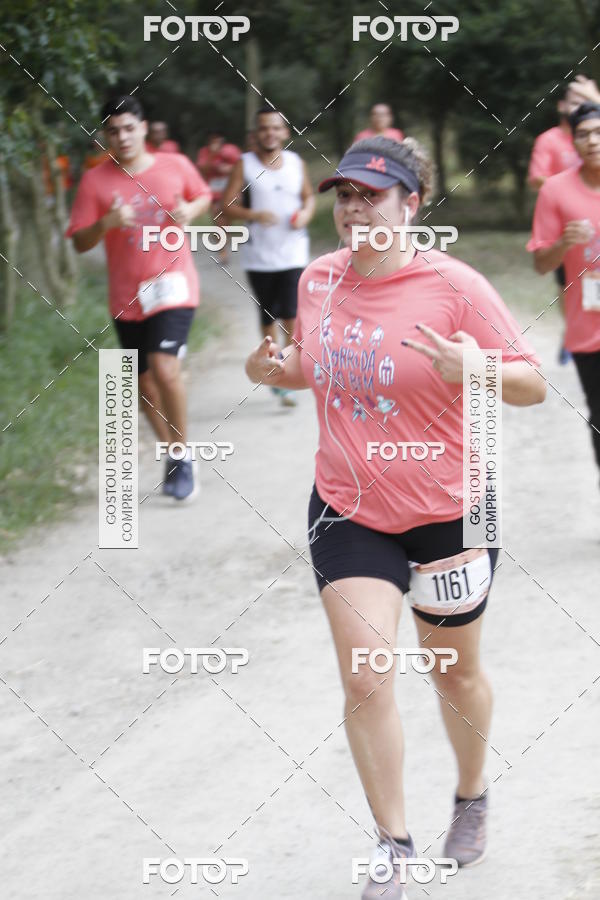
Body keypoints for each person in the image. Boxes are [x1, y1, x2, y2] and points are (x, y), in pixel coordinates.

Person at [246, 136, 546, 898]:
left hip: (453, 509)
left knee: (454, 673)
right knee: (367, 676)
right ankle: (394, 843)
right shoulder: (316, 281)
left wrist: (470, 366)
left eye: (371, 194)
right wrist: (273, 369)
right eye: (344, 195)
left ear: (411, 203)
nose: (353, 208)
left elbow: (532, 385)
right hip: (349, 507)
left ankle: (473, 794)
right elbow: (312, 366)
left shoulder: (457, 287)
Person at [66, 95, 211, 501]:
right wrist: (106, 223)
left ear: (144, 128)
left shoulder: (174, 164)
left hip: (173, 285)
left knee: (165, 370)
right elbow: (79, 241)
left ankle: (183, 456)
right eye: (113, 131)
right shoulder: (96, 181)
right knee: (144, 388)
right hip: (127, 297)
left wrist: (191, 210)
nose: (122, 136)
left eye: (129, 128)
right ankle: (173, 453)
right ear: (105, 136)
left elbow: (201, 195)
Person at [528, 101, 600, 486]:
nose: (592, 141)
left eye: (598, 131)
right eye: (584, 134)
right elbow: (541, 263)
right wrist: (563, 243)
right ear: (574, 142)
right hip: (590, 329)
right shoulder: (556, 190)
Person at [224, 107, 315, 408]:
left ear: (285, 132)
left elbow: (309, 197)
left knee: (292, 313)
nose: (270, 133)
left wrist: (304, 215)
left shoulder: (295, 163)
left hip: (293, 251)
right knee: (268, 315)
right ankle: (272, 365)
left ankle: (288, 372)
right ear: (256, 134)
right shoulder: (245, 165)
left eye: (276, 128)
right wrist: (253, 214)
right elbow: (226, 207)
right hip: (259, 255)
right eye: (264, 128)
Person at [528, 84, 583, 364]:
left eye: (584, 100)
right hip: (562, 226)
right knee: (567, 282)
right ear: (561, 106)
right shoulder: (548, 140)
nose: (578, 106)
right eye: (573, 101)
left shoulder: (592, 136)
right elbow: (537, 177)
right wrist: (568, 191)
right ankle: (572, 330)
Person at [196, 133, 242, 261]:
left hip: (229, 191)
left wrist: (229, 169)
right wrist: (213, 158)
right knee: (218, 218)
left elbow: (241, 167)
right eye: (213, 141)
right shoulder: (204, 153)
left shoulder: (231, 150)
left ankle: (222, 238)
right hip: (214, 192)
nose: (215, 144)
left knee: (225, 220)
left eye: (218, 141)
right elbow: (202, 169)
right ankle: (222, 250)